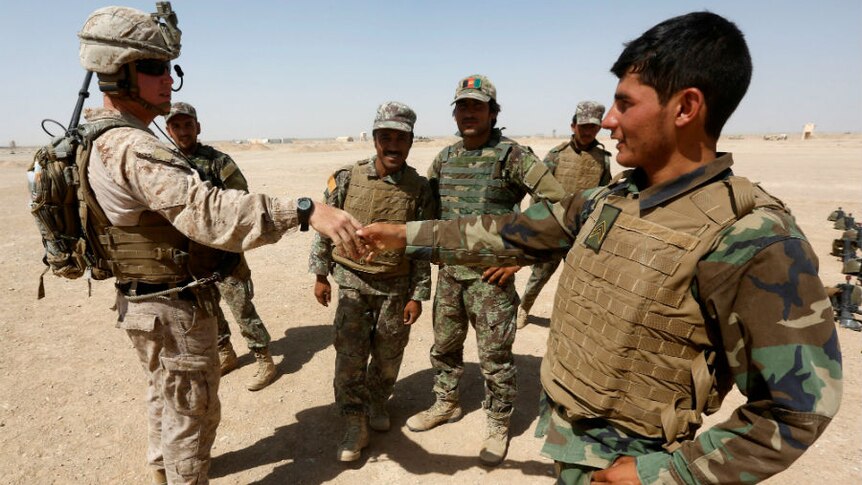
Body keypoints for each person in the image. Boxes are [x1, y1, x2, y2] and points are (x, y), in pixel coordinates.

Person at [359, 12, 842, 484]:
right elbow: (507, 230)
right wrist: (408, 235)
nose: (608, 120)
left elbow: (798, 408)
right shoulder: (604, 202)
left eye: (625, 104)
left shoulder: (752, 237)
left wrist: (670, 473)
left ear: (686, 107)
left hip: (636, 458)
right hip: (572, 443)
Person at [75, 5, 361, 484]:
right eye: (153, 67)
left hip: (144, 301)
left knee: (164, 394)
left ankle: (163, 471)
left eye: (170, 68)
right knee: (193, 412)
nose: (168, 80)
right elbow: (207, 212)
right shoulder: (132, 145)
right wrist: (308, 210)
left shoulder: (96, 137)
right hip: (171, 306)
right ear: (117, 72)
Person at [406, 74, 565, 466]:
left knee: (494, 358)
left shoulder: (513, 156)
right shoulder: (445, 159)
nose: (469, 113)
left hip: (491, 282)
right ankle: (447, 402)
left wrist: (521, 257)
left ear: (493, 113)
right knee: (444, 347)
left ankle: (498, 422)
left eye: (478, 106)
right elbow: (428, 212)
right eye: (463, 106)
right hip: (451, 278)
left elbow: (559, 207)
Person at [309, 102, 434, 462]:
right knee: (349, 357)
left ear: (410, 141)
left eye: (400, 138)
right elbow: (324, 228)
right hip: (352, 283)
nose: (392, 145)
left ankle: (378, 401)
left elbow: (422, 245)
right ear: (375, 138)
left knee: (388, 355)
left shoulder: (420, 189)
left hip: (396, 287)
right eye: (385, 137)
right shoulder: (346, 177)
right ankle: (353, 420)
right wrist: (320, 275)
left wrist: (418, 295)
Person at [165, 101, 276, 391]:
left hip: (223, 252)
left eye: (187, 125)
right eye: (176, 126)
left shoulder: (217, 161)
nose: (182, 131)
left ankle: (264, 358)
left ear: (197, 127)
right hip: (190, 256)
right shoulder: (166, 165)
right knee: (208, 309)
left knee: (241, 307)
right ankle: (225, 353)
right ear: (168, 130)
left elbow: (240, 200)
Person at [517, 101, 612, 329]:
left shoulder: (603, 159)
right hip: (554, 226)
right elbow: (538, 191)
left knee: (581, 278)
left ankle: (572, 321)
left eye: (593, 127)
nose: (588, 131)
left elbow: (606, 197)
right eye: (583, 126)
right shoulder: (556, 155)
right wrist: (536, 225)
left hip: (584, 231)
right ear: (573, 126)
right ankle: (523, 308)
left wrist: (598, 236)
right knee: (539, 275)